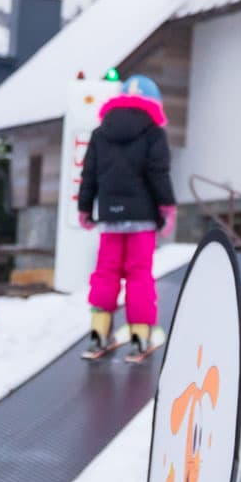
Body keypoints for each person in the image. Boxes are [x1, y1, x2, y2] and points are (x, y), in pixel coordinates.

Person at [77, 74, 177, 352]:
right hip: (142, 219)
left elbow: (89, 174)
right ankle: (140, 336)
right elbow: (158, 173)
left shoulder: (100, 133)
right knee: (139, 274)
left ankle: (99, 332)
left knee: (106, 272)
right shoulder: (154, 133)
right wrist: (166, 206)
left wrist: (85, 207)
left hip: (110, 217)